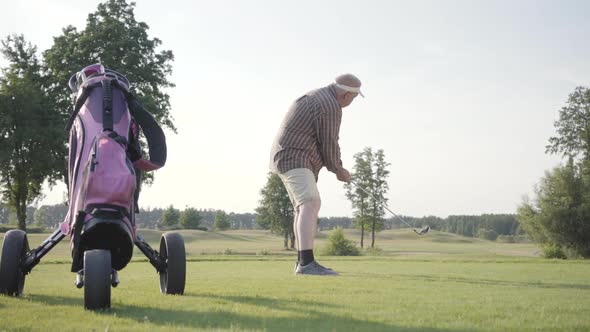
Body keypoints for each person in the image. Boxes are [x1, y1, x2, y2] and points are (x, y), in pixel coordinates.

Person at [270, 73, 363, 276]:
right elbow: (329, 141)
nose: (351, 103)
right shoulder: (331, 105)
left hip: (287, 156)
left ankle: (302, 262)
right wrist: (338, 169)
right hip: (294, 156)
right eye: (354, 99)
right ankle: (307, 264)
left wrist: (335, 167)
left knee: (302, 207)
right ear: (347, 95)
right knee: (311, 202)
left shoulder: (318, 96)